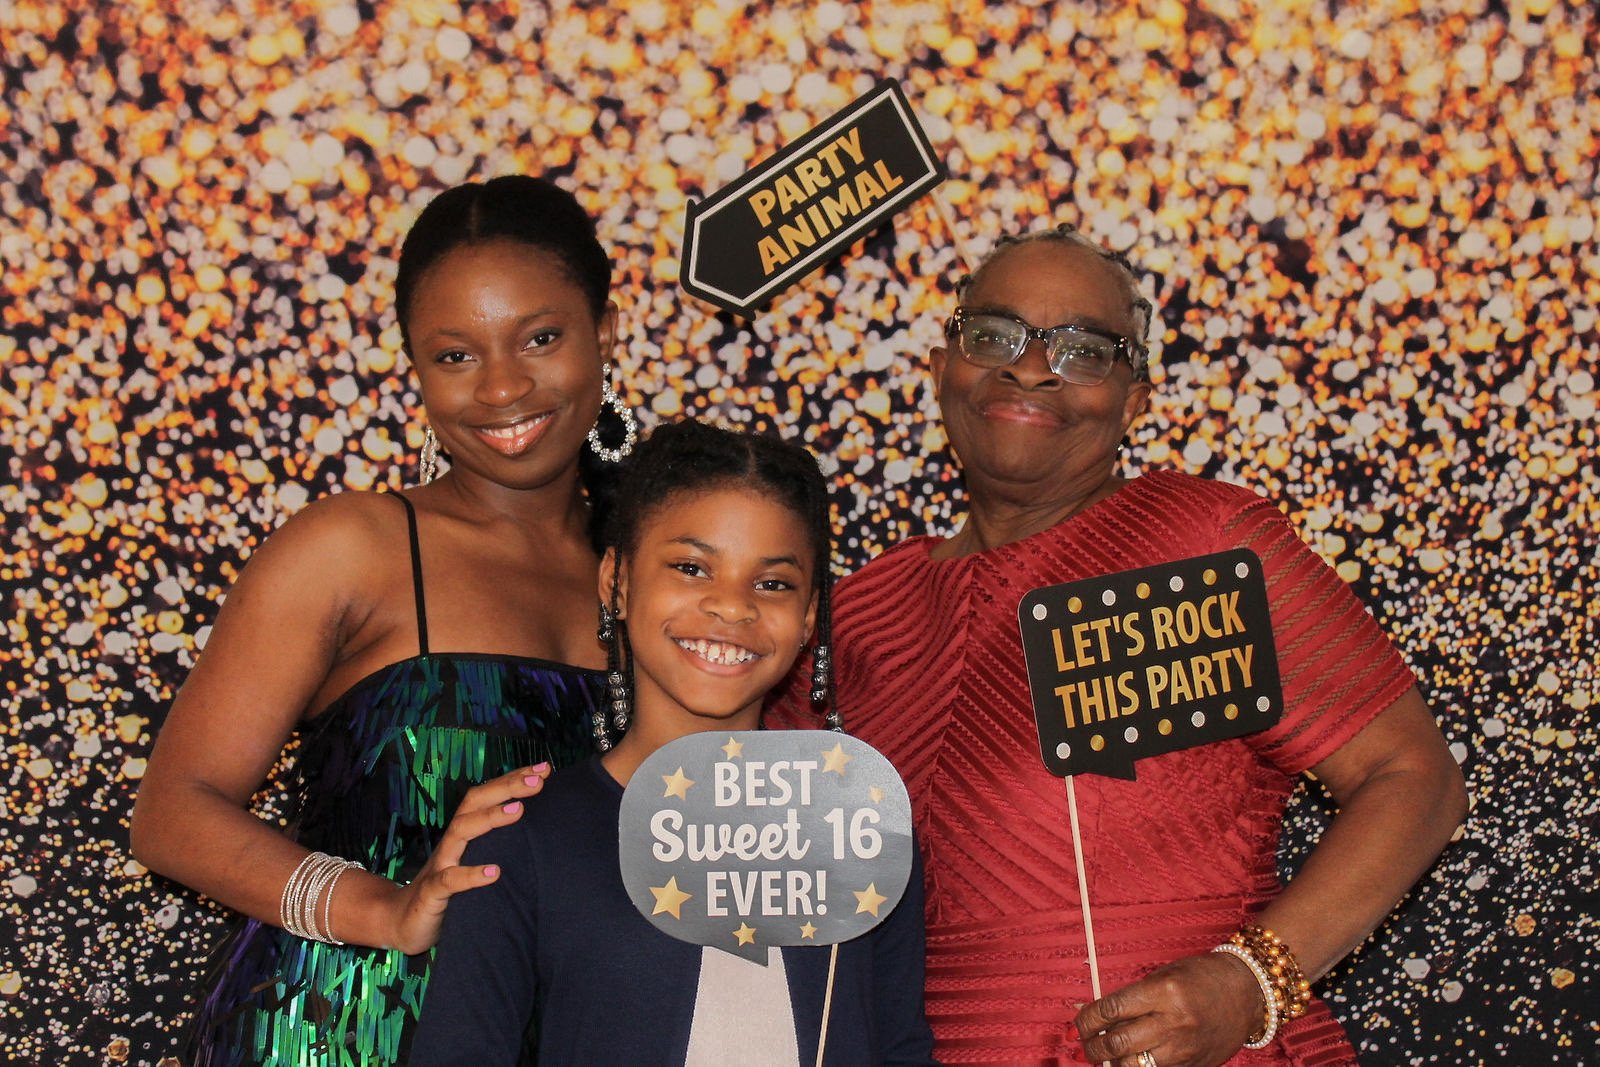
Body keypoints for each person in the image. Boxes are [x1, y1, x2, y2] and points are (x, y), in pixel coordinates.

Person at [772, 225, 1469, 1067]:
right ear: (941, 368)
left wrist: (1249, 982)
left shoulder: (1201, 541)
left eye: (1083, 350)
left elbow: (1415, 780)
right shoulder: (855, 614)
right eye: (993, 335)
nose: (1029, 368)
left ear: (1136, 400)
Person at [129, 175, 639, 1065]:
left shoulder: (657, 572)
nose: (503, 388)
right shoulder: (354, 545)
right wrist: (388, 911)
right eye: (454, 356)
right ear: (413, 367)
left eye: (542, 338)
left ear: (606, 331)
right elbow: (171, 813)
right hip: (338, 1025)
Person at [411, 420, 937, 1066]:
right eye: (692, 567)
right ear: (617, 581)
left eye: (772, 582)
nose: (731, 606)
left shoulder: (863, 832)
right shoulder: (522, 837)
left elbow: (902, 1048)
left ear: (809, 617)